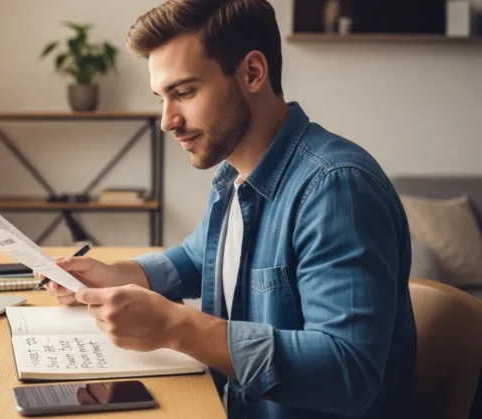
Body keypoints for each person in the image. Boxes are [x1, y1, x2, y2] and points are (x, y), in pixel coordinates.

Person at [39, 0, 419, 417]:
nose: (167, 120)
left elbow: (348, 371)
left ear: (252, 72)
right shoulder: (233, 175)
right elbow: (199, 258)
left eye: (184, 93)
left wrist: (175, 326)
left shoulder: (336, 189)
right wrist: (119, 273)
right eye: (162, 97)